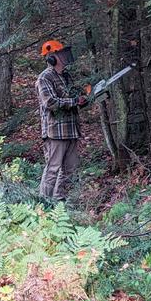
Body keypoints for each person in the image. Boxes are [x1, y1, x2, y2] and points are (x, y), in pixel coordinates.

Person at [35, 40, 87, 200]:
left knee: (70, 168)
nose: (65, 56)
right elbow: (50, 102)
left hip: (71, 130)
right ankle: (44, 203)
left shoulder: (66, 76)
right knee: (53, 168)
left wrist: (84, 98)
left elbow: (74, 97)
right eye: (61, 53)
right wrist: (74, 101)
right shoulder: (44, 78)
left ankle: (59, 202)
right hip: (55, 131)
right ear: (52, 57)